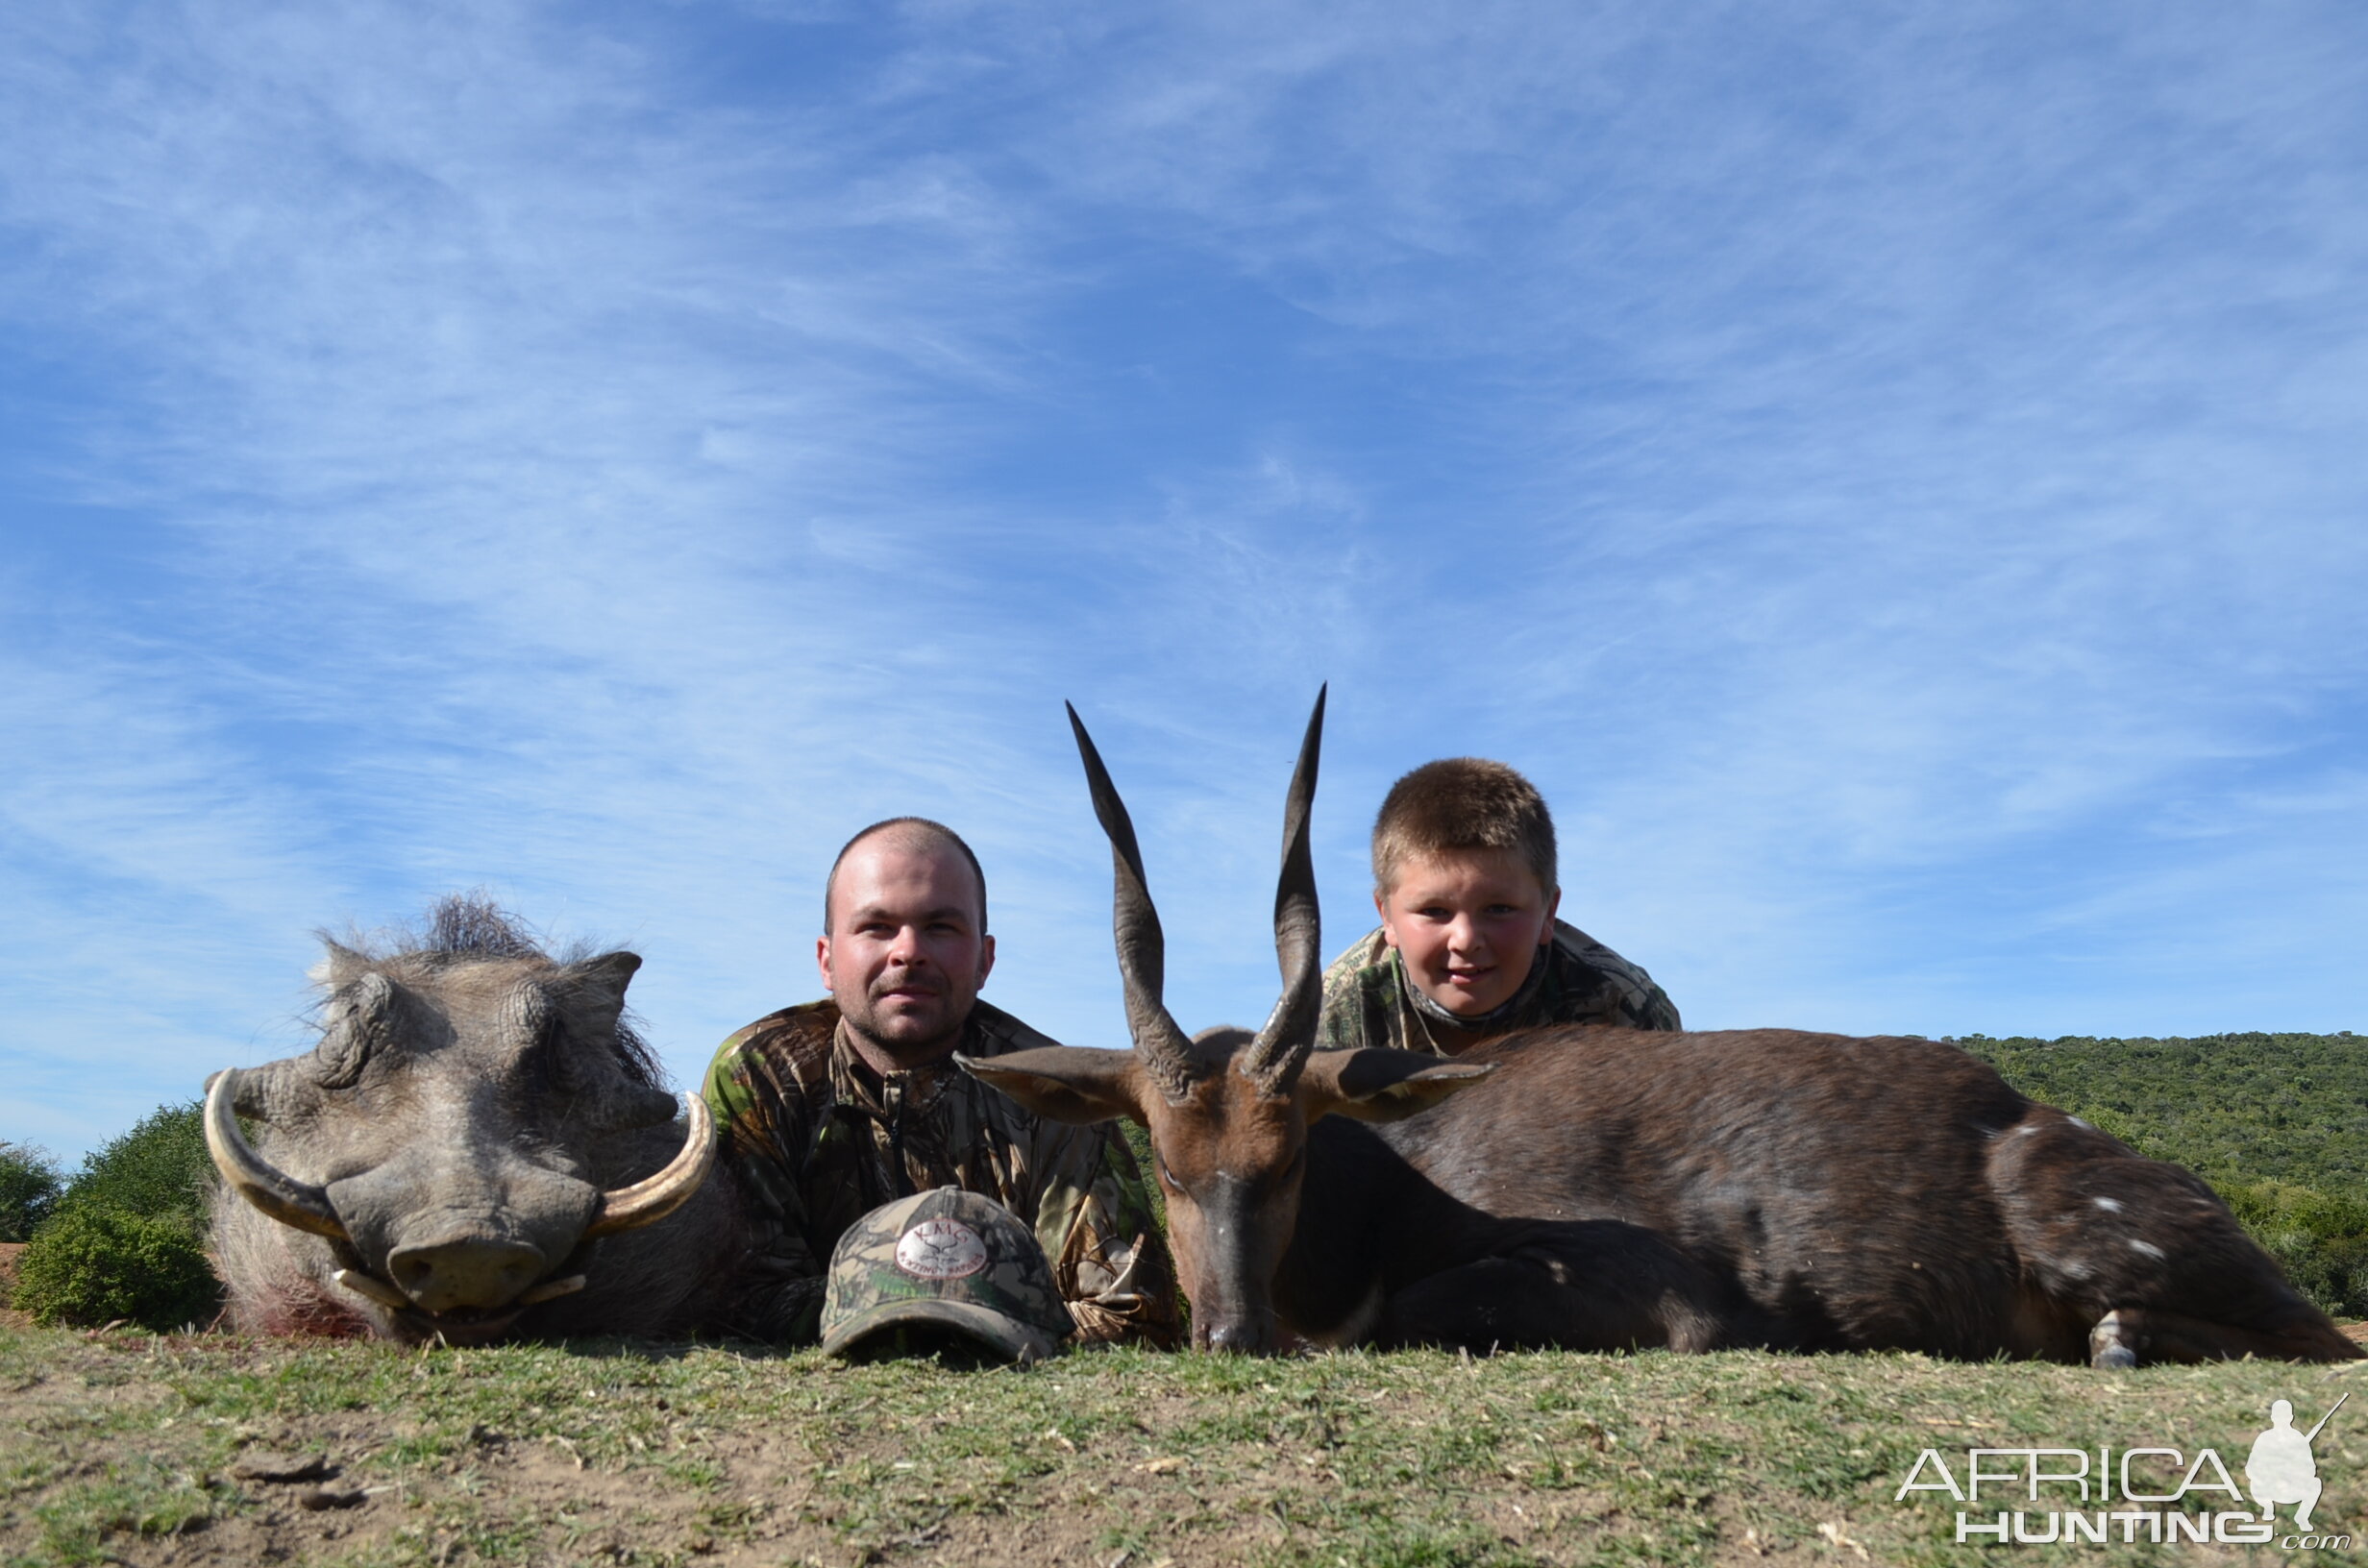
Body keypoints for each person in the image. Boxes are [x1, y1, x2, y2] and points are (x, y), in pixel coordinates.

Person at [703, 816, 1181, 1346]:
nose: (908, 951)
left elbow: (1135, 1317)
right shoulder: (758, 1077)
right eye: (876, 927)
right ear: (826, 961)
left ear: (984, 959)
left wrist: (937, 1320)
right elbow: (734, 1300)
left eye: (941, 927)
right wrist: (963, 1316)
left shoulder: (1054, 1091)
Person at [1315, 758, 1680, 1056]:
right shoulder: (1336, 1008)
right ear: (1387, 917)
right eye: (1434, 911)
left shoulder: (1622, 1004)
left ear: (1548, 914)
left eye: (1499, 909)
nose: (1465, 940)